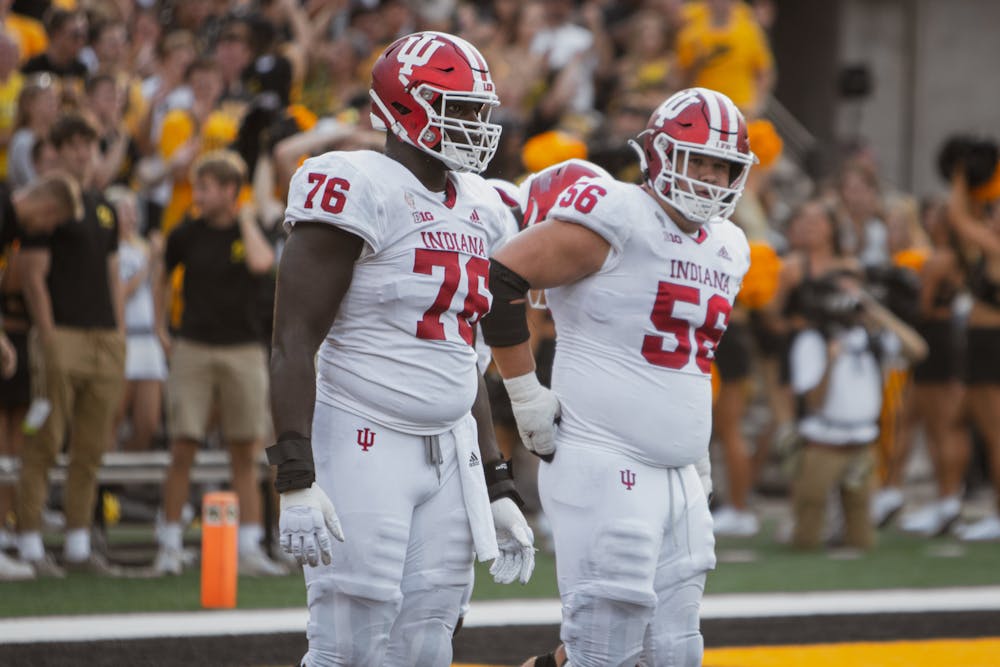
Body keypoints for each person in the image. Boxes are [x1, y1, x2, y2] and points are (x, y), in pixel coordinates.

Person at [268, 31, 536, 667]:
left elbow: (463, 353)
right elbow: (292, 338)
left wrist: (496, 478)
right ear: (406, 105)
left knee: (428, 638)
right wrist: (295, 473)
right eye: (459, 108)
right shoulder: (356, 184)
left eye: (479, 109)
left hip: (450, 447)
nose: (475, 124)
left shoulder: (484, 207)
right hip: (364, 431)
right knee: (349, 640)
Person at [484, 87, 756, 667]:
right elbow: (499, 277)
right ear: (658, 154)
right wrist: (525, 392)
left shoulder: (732, 245)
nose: (709, 176)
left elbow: (689, 356)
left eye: (723, 164)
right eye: (697, 157)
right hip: (607, 457)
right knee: (604, 649)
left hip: (678, 472)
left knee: (676, 652)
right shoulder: (618, 212)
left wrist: (694, 447)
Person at [152, 150, 284, 577]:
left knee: (246, 451)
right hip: (193, 346)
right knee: (183, 446)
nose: (200, 195)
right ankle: (169, 544)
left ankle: (248, 548)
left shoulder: (249, 230)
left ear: (230, 190)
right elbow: (161, 272)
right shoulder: (186, 233)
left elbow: (263, 264)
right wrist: (160, 328)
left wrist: (243, 215)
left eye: (207, 187)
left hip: (243, 348)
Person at [16, 113, 126, 577]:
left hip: (103, 337)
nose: (83, 153)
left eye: (90, 144)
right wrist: (49, 335)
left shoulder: (104, 205)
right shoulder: (50, 203)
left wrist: (118, 331)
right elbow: (31, 276)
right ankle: (29, 542)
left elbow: (113, 274)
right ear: (57, 150)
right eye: (73, 144)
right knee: (44, 441)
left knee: (91, 446)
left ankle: (79, 545)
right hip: (63, 332)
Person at [0, 173, 79, 581]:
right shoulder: (5, 211)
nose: (46, 232)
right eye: (52, 223)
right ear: (48, 208)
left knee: (14, 439)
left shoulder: (11, 221)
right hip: (10, 332)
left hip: (16, 338)